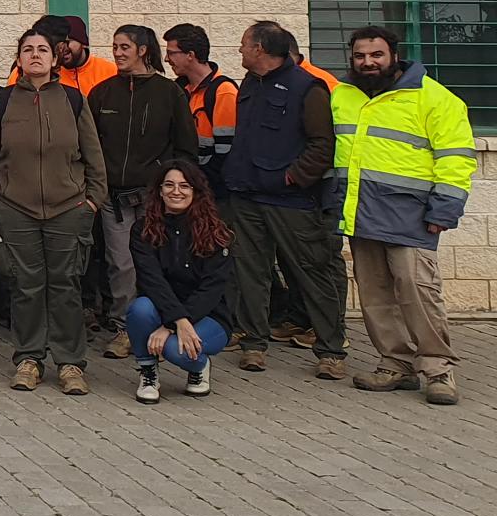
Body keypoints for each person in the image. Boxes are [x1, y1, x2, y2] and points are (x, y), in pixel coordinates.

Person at [333, 26, 474, 405]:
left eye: (376, 55)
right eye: (360, 55)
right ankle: (395, 363)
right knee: (375, 297)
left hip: (412, 217)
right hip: (360, 215)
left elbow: (457, 158)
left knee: (418, 294)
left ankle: (439, 369)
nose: (368, 62)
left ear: (394, 55)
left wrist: (444, 209)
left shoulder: (434, 98)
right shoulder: (342, 95)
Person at [0, 26, 108, 394]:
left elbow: (94, 156)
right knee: (26, 286)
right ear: (19, 59)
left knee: (66, 286)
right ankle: (29, 358)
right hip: (16, 210)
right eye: (28, 49)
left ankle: (70, 364)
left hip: (69, 209)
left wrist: (91, 202)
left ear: (53, 59)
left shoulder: (73, 99)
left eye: (42, 49)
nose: (35, 55)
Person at [221, 21, 347, 378]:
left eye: (244, 44)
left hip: (291, 201)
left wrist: (292, 177)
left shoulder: (309, 88)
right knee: (251, 272)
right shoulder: (249, 84)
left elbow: (323, 144)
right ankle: (253, 346)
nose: (240, 50)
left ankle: (331, 351)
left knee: (311, 271)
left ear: (261, 49)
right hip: (247, 195)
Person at [87, 24, 199, 360]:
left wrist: (174, 189)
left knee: (162, 263)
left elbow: (186, 148)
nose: (118, 53)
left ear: (142, 50)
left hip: (156, 199)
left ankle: (168, 324)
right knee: (120, 264)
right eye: (115, 46)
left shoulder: (170, 93)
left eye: (124, 47)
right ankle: (125, 328)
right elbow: (88, 145)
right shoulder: (102, 93)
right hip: (114, 199)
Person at [127, 159, 232, 403]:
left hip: (209, 314)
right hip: (162, 308)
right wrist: (177, 320)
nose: (176, 191)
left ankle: (199, 368)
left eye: (184, 186)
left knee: (175, 349)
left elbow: (212, 289)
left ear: (196, 191)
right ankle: (148, 373)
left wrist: (173, 326)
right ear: (159, 191)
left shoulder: (217, 231)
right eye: (169, 185)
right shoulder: (142, 230)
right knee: (139, 309)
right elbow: (152, 281)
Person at [164, 23, 236, 183]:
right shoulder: (179, 89)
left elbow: (227, 152)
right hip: (186, 183)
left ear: (190, 55)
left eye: (171, 53)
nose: (166, 59)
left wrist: (200, 183)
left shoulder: (223, 91)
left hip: (210, 188)